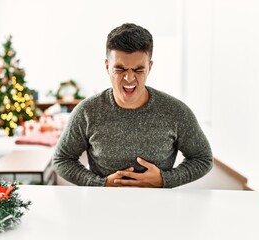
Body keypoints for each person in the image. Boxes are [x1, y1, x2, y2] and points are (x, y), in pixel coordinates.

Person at [52, 23, 213, 188]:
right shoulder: (87, 111)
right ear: (107, 66)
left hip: (160, 208)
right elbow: (61, 160)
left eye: (138, 70)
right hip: (102, 208)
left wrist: (164, 179)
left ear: (149, 67)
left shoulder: (176, 111)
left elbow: (203, 159)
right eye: (120, 69)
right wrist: (101, 183)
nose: (129, 78)